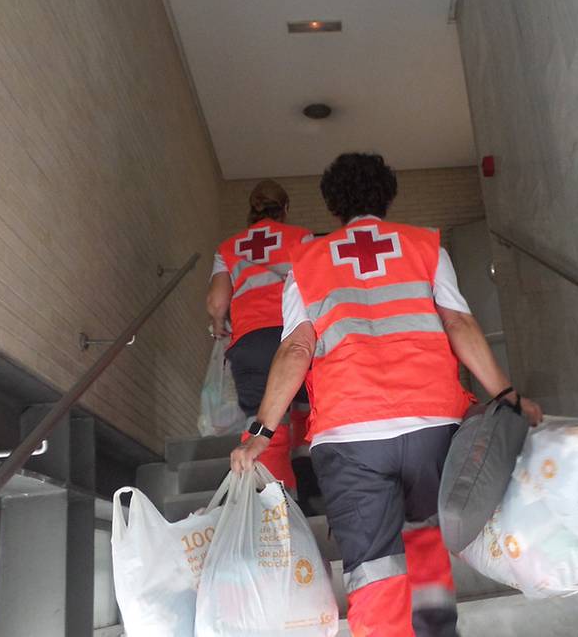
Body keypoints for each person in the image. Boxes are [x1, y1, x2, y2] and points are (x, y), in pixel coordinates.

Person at [230, 153, 542, 637]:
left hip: (350, 433)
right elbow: (458, 323)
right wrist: (505, 394)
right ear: (387, 197)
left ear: (333, 207)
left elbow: (295, 350)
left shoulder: (307, 262)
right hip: (433, 425)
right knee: (426, 540)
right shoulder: (425, 246)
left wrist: (261, 432)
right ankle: (438, 630)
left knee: (374, 568)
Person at [207, 179, 315, 495]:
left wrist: (217, 325)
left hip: (250, 342)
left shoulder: (227, 248)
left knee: (262, 420)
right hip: (296, 336)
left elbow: (217, 302)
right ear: (285, 209)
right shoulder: (300, 237)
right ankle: (311, 485)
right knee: (305, 411)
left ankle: (277, 502)